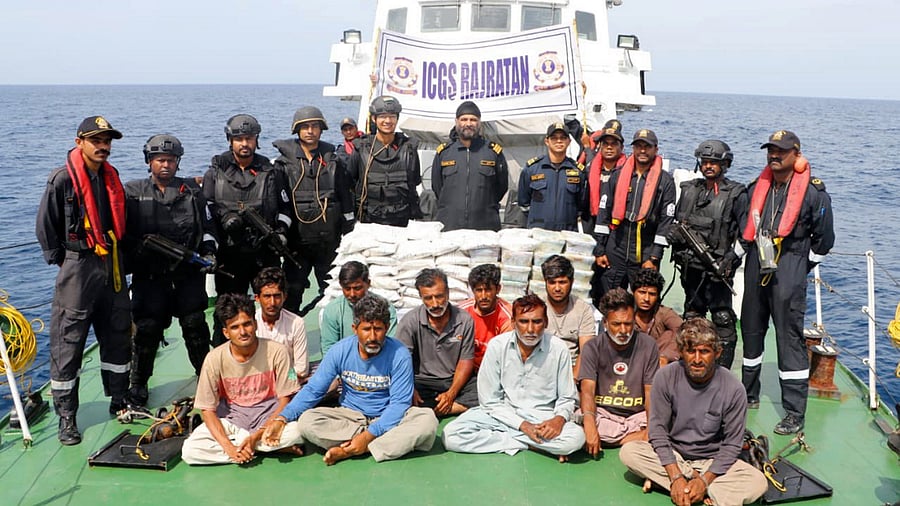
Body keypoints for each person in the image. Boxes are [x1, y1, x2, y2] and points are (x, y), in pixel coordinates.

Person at [36, 116, 132, 445]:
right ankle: (66, 417)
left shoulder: (111, 177)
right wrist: (66, 262)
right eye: (96, 140)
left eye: (107, 141)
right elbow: (46, 226)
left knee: (118, 331)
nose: (103, 146)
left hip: (112, 263)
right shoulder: (62, 179)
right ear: (80, 143)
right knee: (69, 341)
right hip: (78, 266)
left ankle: (119, 399)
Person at [263, 294, 438, 465]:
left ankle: (356, 448)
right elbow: (314, 390)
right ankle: (377, 444)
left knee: (427, 420)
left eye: (378, 329)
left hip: (387, 416)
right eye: (366, 329)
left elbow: (399, 404)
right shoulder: (340, 350)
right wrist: (282, 418)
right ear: (355, 329)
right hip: (350, 417)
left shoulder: (399, 354)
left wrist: (369, 435)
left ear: (386, 327)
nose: (372, 337)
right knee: (307, 422)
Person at [740, 130, 834, 434]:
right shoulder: (758, 186)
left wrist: (800, 268)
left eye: (781, 151)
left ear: (796, 153)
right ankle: (748, 395)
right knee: (751, 329)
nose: (774, 155)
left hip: (790, 264)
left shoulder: (813, 193)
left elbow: (824, 239)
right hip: (757, 261)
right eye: (770, 150)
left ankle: (794, 412)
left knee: (789, 340)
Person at [619, 318, 768, 506]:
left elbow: (731, 445)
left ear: (717, 353)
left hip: (712, 461)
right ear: (681, 352)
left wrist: (705, 478)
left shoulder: (733, 388)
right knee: (630, 452)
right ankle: (696, 489)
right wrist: (675, 475)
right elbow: (657, 432)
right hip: (675, 457)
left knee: (758, 482)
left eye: (704, 352)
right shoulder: (665, 377)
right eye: (691, 351)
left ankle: (679, 486)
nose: (697, 359)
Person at [124, 134, 217, 408]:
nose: (166, 165)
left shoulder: (193, 192)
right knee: (147, 329)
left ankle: (205, 377)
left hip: (187, 274)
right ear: (149, 162)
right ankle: (138, 384)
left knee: (195, 324)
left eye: (171, 160)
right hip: (150, 277)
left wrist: (210, 252)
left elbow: (209, 227)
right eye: (160, 160)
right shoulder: (133, 192)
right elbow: (122, 231)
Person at [442, 294, 584, 462]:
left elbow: (567, 397)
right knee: (451, 435)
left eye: (537, 322)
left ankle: (510, 440)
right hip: (503, 414)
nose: (530, 329)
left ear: (545, 323)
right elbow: (489, 402)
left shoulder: (558, 348)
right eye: (524, 322)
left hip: (543, 417)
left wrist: (559, 420)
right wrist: (523, 426)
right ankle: (531, 444)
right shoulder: (497, 345)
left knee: (575, 439)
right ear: (513, 323)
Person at [181, 294, 302, 464]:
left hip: (269, 418)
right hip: (233, 422)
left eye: (247, 324)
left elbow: (286, 398)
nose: (243, 332)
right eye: (235, 327)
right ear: (226, 332)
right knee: (190, 451)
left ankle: (250, 445)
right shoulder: (213, 358)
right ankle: (257, 448)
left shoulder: (278, 351)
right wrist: (228, 448)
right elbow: (207, 410)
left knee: (298, 431)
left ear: (255, 324)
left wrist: (258, 434)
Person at [203, 114, 291, 344]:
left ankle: (274, 349)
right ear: (230, 141)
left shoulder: (271, 171)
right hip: (230, 255)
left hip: (263, 251)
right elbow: (206, 211)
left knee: (271, 305)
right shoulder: (215, 171)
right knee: (227, 308)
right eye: (239, 139)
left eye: (249, 138)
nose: (244, 144)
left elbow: (285, 208)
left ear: (256, 140)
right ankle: (222, 354)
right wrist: (224, 221)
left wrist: (281, 232)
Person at [671, 140, 748, 369]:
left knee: (723, 318)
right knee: (692, 316)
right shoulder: (689, 190)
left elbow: (747, 236)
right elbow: (675, 222)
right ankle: (691, 365)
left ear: (725, 164)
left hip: (718, 270)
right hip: (690, 267)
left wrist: (730, 260)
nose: (709, 166)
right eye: (705, 162)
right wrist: (673, 235)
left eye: (715, 162)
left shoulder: (736, 194)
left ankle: (722, 371)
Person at [273, 106, 354, 314]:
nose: (310, 131)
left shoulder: (334, 160)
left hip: (329, 242)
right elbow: (280, 203)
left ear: (321, 129)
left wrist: (349, 231)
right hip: (297, 244)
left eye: (315, 126)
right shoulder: (283, 165)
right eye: (305, 127)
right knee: (292, 292)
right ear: (297, 130)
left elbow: (345, 198)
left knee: (333, 295)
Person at [594, 129, 676, 294]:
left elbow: (666, 222)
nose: (643, 151)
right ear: (633, 149)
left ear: (656, 149)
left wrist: (654, 257)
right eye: (638, 146)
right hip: (616, 246)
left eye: (647, 146)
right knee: (611, 296)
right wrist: (600, 249)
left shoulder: (665, 182)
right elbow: (603, 212)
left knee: (645, 299)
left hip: (645, 250)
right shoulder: (617, 176)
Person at [579, 288, 659, 456]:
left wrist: (651, 430)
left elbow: (650, 391)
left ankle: (614, 440)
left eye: (628, 324)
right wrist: (590, 424)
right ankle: (632, 439)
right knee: (579, 418)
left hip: (637, 417)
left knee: (669, 418)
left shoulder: (648, 345)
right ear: (605, 323)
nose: (623, 330)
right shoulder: (592, 347)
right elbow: (587, 390)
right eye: (616, 324)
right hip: (604, 414)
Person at [395, 268, 478, 416]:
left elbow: (466, 361)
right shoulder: (410, 321)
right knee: (395, 392)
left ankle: (435, 410)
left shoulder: (464, 320)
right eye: (428, 298)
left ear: (448, 293)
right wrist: (409, 389)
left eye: (439, 296)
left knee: (487, 389)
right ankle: (445, 408)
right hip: (421, 382)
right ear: (421, 297)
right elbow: (400, 362)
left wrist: (451, 393)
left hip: (453, 380)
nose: (435, 304)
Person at [431, 101, 509, 231]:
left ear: (479, 122)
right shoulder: (444, 153)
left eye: (473, 119)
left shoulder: (492, 152)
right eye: (464, 119)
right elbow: (438, 187)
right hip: (450, 224)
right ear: (456, 121)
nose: (468, 123)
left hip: (485, 225)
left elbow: (501, 187)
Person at [347, 95, 422, 227]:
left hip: (402, 222)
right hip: (369, 222)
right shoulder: (361, 148)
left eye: (392, 116)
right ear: (374, 119)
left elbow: (414, 181)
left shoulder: (409, 149)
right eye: (382, 116)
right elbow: (350, 183)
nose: (388, 121)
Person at [583, 119, 627, 306]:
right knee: (590, 280)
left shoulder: (627, 172)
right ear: (599, 145)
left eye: (613, 144)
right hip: (591, 228)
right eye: (605, 144)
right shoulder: (589, 168)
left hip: (616, 234)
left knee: (612, 283)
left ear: (621, 146)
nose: (609, 148)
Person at [517, 122, 586, 231]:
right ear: (547, 141)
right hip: (539, 232)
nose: (559, 141)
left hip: (567, 232)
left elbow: (581, 204)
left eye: (563, 138)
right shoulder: (532, 169)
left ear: (569, 142)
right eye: (554, 138)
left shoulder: (578, 171)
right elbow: (523, 202)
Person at [320, 261, 398, 355]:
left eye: (357, 288)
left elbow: (392, 346)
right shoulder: (333, 310)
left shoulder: (385, 308)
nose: (352, 294)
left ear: (368, 283)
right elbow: (329, 349)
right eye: (347, 289)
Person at [540, 255, 596, 377]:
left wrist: (573, 379)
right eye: (552, 283)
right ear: (545, 282)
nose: (557, 288)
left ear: (571, 282)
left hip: (572, 369)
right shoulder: (537, 307)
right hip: (541, 368)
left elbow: (586, 351)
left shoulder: (583, 309)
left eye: (562, 282)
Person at [252, 267, 308, 381]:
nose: (272, 303)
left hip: (290, 380)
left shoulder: (296, 323)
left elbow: (301, 370)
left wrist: (283, 377)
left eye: (277, 296)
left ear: (284, 297)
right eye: (267, 296)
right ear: (257, 298)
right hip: (258, 383)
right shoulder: (249, 324)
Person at [458, 264, 513, 369]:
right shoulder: (462, 311)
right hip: (464, 367)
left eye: (488, 290)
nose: (483, 296)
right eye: (479, 290)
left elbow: (506, 357)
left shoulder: (507, 317)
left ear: (498, 289)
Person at [630, 268, 681, 366]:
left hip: (660, 364)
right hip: (632, 362)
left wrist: (665, 356)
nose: (646, 299)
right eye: (642, 292)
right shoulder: (626, 314)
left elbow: (683, 329)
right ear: (633, 292)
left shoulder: (663, 312)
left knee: (670, 334)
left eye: (652, 294)